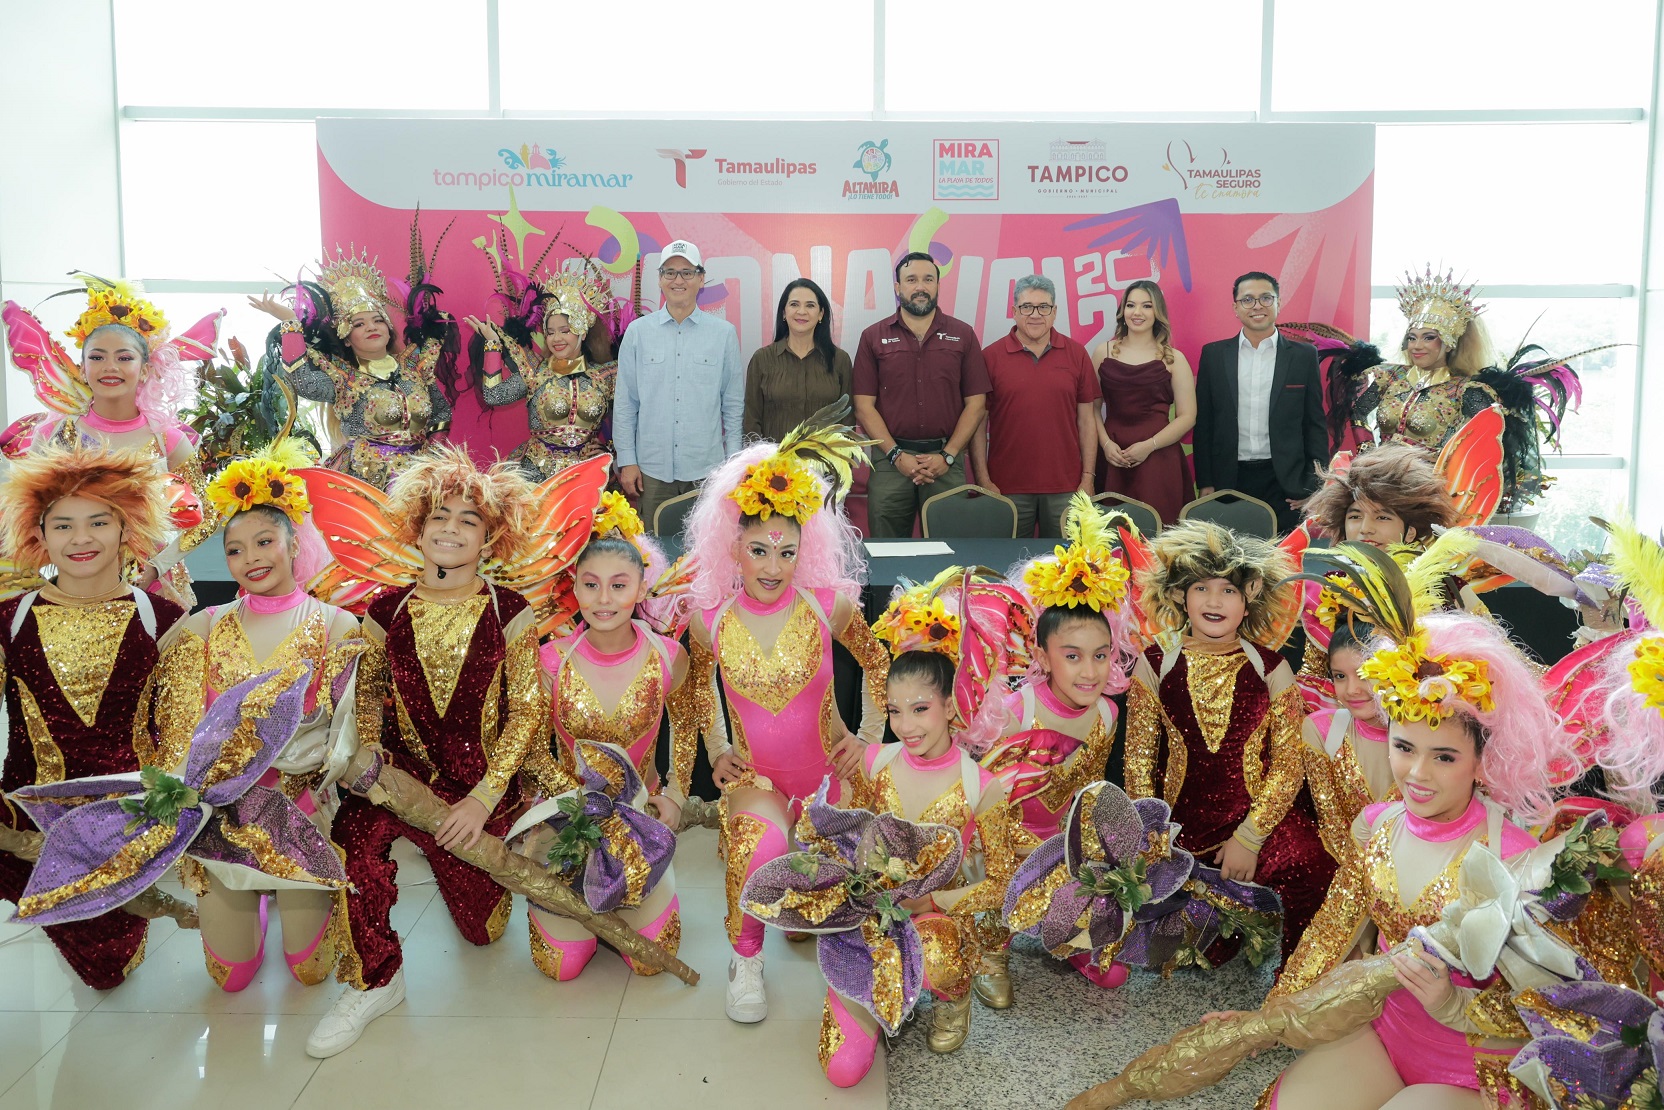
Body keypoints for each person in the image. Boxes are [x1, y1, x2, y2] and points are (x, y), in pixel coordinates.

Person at [1243, 546, 1583, 1108]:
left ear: (1483, 762)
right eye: (1404, 748)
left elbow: (1553, 1005)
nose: (1417, 775)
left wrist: (1453, 1004)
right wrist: (1266, 1019)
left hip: (1477, 1058)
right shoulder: (1379, 826)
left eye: (1444, 757)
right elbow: (1332, 931)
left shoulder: (1517, 858)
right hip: (1388, 1032)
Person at [307, 446, 548, 1058]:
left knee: (483, 930)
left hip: (477, 791)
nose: (451, 528)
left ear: (490, 538)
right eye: (439, 516)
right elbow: (368, 697)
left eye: (468, 520)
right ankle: (375, 979)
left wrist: (484, 797)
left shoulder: (511, 612)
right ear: (418, 528)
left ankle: (474, 890)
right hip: (398, 779)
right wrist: (369, 761)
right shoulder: (384, 612)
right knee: (352, 842)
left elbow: (526, 714)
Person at [677, 406, 891, 1024]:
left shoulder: (828, 607)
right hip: (759, 781)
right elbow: (696, 689)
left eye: (787, 552)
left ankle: (839, 941)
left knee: (843, 884)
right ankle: (745, 960)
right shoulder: (710, 620)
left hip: (830, 776)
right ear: (734, 549)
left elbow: (879, 664)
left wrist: (867, 739)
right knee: (760, 842)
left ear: (805, 549)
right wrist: (718, 749)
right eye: (759, 550)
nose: (773, 567)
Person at [160, 440, 364, 992]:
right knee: (230, 977)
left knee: (310, 971)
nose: (251, 558)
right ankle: (251, 906)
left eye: (265, 541)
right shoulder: (203, 626)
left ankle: (287, 900)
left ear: (295, 543)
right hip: (219, 818)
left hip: (301, 812)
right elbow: (177, 731)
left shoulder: (337, 625)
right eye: (235, 550)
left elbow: (349, 733)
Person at [0, 443, 189, 988]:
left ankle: (125, 888)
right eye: (63, 525)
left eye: (98, 523)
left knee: (108, 967)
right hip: (26, 817)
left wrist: (163, 822)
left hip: (128, 818)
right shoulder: (9, 620)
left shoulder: (166, 618)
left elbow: (181, 734)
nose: (80, 539)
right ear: (40, 534)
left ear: (126, 528)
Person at [1123, 519, 1335, 963]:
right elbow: (1140, 760)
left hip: (1255, 822)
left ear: (1250, 594)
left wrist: (1251, 838)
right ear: (1179, 594)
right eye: (1201, 588)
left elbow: (1288, 764)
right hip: (1179, 834)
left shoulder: (1271, 668)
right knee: (1203, 952)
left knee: (1313, 864)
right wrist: (1154, 838)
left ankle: (1299, 974)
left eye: (1229, 590)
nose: (1214, 601)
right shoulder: (1155, 663)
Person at [517, 501, 692, 980]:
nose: (604, 599)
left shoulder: (668, 657)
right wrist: (573, 808)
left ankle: (637, 895)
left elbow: (686, 729)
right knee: (559, 966)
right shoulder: (550, 661)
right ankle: (579, 916)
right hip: (567, 822)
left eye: (619, 585)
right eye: (591, 585)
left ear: (640, 588)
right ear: (574, 588)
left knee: (651, 963)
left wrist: (675, 795)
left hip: (640, 820)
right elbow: (531, 747)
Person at [975, 493, 1139, 999]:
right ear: (1043, 656)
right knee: (995, 875)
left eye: (1100, 655)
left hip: (1064, 850)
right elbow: (985, 804)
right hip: (1002, 845)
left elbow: (1086, 794)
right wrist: (1012, 858)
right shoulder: (1017, 711)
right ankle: (991, 946)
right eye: (1072, 656)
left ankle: (1061, 927)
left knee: (1114, 973)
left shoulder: (1107, 713)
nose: (1089, 672)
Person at [824, 649, 1018, 1073]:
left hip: (936, 922)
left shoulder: (981, 787)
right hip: (871, 919)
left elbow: (1003, 883)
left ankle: (952, 995)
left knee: (938, 954)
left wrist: (931, 903)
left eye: (920, 709)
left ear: (949, 706)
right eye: (895, 711)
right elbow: (848, 837)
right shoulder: (873, 763)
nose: (906, 726)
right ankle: (877, 989)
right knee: (842, 1069)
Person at [2, 274, 224, 605]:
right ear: (82, 368)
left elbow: (206, 517)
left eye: (124, 357)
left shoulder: (168, 440)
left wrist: (157, 567)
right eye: (97, 357)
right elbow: (23, 515)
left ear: (145, 369)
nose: (110, 367)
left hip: (154, 589)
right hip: (75, 585)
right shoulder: (54, 436)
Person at [252, 232, 457, 489]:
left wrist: (432, 458)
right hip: (364, 482)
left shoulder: (415, 368)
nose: (371, 327)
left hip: (419, 482)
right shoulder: (344, 379)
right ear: (346, 339)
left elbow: (441, 412)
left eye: (378, 320)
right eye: (359, 324)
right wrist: (291, 324)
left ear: (389, 329)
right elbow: (302, 382)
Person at [852, 252, 990, 538]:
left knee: (951, 551)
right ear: (897, 287)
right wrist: (896, 455)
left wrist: (948, 456)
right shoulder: (873, 337)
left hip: (946, 459)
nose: (920, 287)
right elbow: (864, 406)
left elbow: (977, 404)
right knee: (888, 552)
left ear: (938, 285)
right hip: (891, 461)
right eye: (911, 279)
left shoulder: (962, 334)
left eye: (928, 279)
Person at [613, 239, 744, 531]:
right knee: (654, 551)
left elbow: (733, 406)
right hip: (651, 473)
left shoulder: (723, 334)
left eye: (687, 272)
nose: (678, 280)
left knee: (706, 548)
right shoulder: (638, 333)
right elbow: (625, 404)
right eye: (670, 272)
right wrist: (628, 460)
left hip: (707, 472)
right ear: (660, 279)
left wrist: (733, 466)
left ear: (701, 278)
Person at [1194, 272, 1327, 533]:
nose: (1257, 306)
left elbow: (1315, 424)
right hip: (1229, 479)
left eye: (1266, 298)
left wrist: (1313, 485)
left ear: (1278, 303)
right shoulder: (1214, 355)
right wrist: (1206, 481)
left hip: (1285, 482)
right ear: (1235, 307)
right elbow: (1205, 424)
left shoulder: (1303, 356)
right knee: (1230, 555)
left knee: (1283, 555)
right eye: (1248, 300)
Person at [469, 259, 623, 481]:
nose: (556, 339)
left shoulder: (605, 376)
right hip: (536, 476)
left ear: (582, 332)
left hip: (587, 478)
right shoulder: (536, 373)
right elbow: (494, 395)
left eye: (565, 330)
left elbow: (633, 415)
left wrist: (611, 450)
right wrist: (493, 344)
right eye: (550, 332)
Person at [971, 274, 1101, 538]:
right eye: (1027, 307)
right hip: (1005, 488)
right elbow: (977, 423)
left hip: (1067, 487)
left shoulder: (1077, 354)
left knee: (1067, 560)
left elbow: (1087, 420)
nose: (1035, 315)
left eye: (1043, 307)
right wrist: (983, 481)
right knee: (1007, 560)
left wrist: (1088, 477)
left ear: (1054, 312)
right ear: (1014, 311)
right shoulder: (990, 357)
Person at [1092, 280, 1196, 524]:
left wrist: (1150, 445)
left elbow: (1187, 416)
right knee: (1110, 533)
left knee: (1161, 532)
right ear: (1122, 311)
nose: (1137, 312)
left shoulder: (1174, 359)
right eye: (1131, 305)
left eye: (1146, 306)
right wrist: (1105, 445)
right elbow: (1091, 409)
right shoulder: (1102, 352)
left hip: (1159, 457)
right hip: (1112, 455)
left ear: (1157, 312)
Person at [742, 278, 853, 443]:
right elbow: (751, 421)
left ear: (821, 314)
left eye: (810, 305)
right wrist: (761, 458)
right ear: (784, 313)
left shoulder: (840, 360)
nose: (802, 311)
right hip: (775, 459)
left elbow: (847, 420)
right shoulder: (762, 359)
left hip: (826, 459)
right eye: (794, 304)